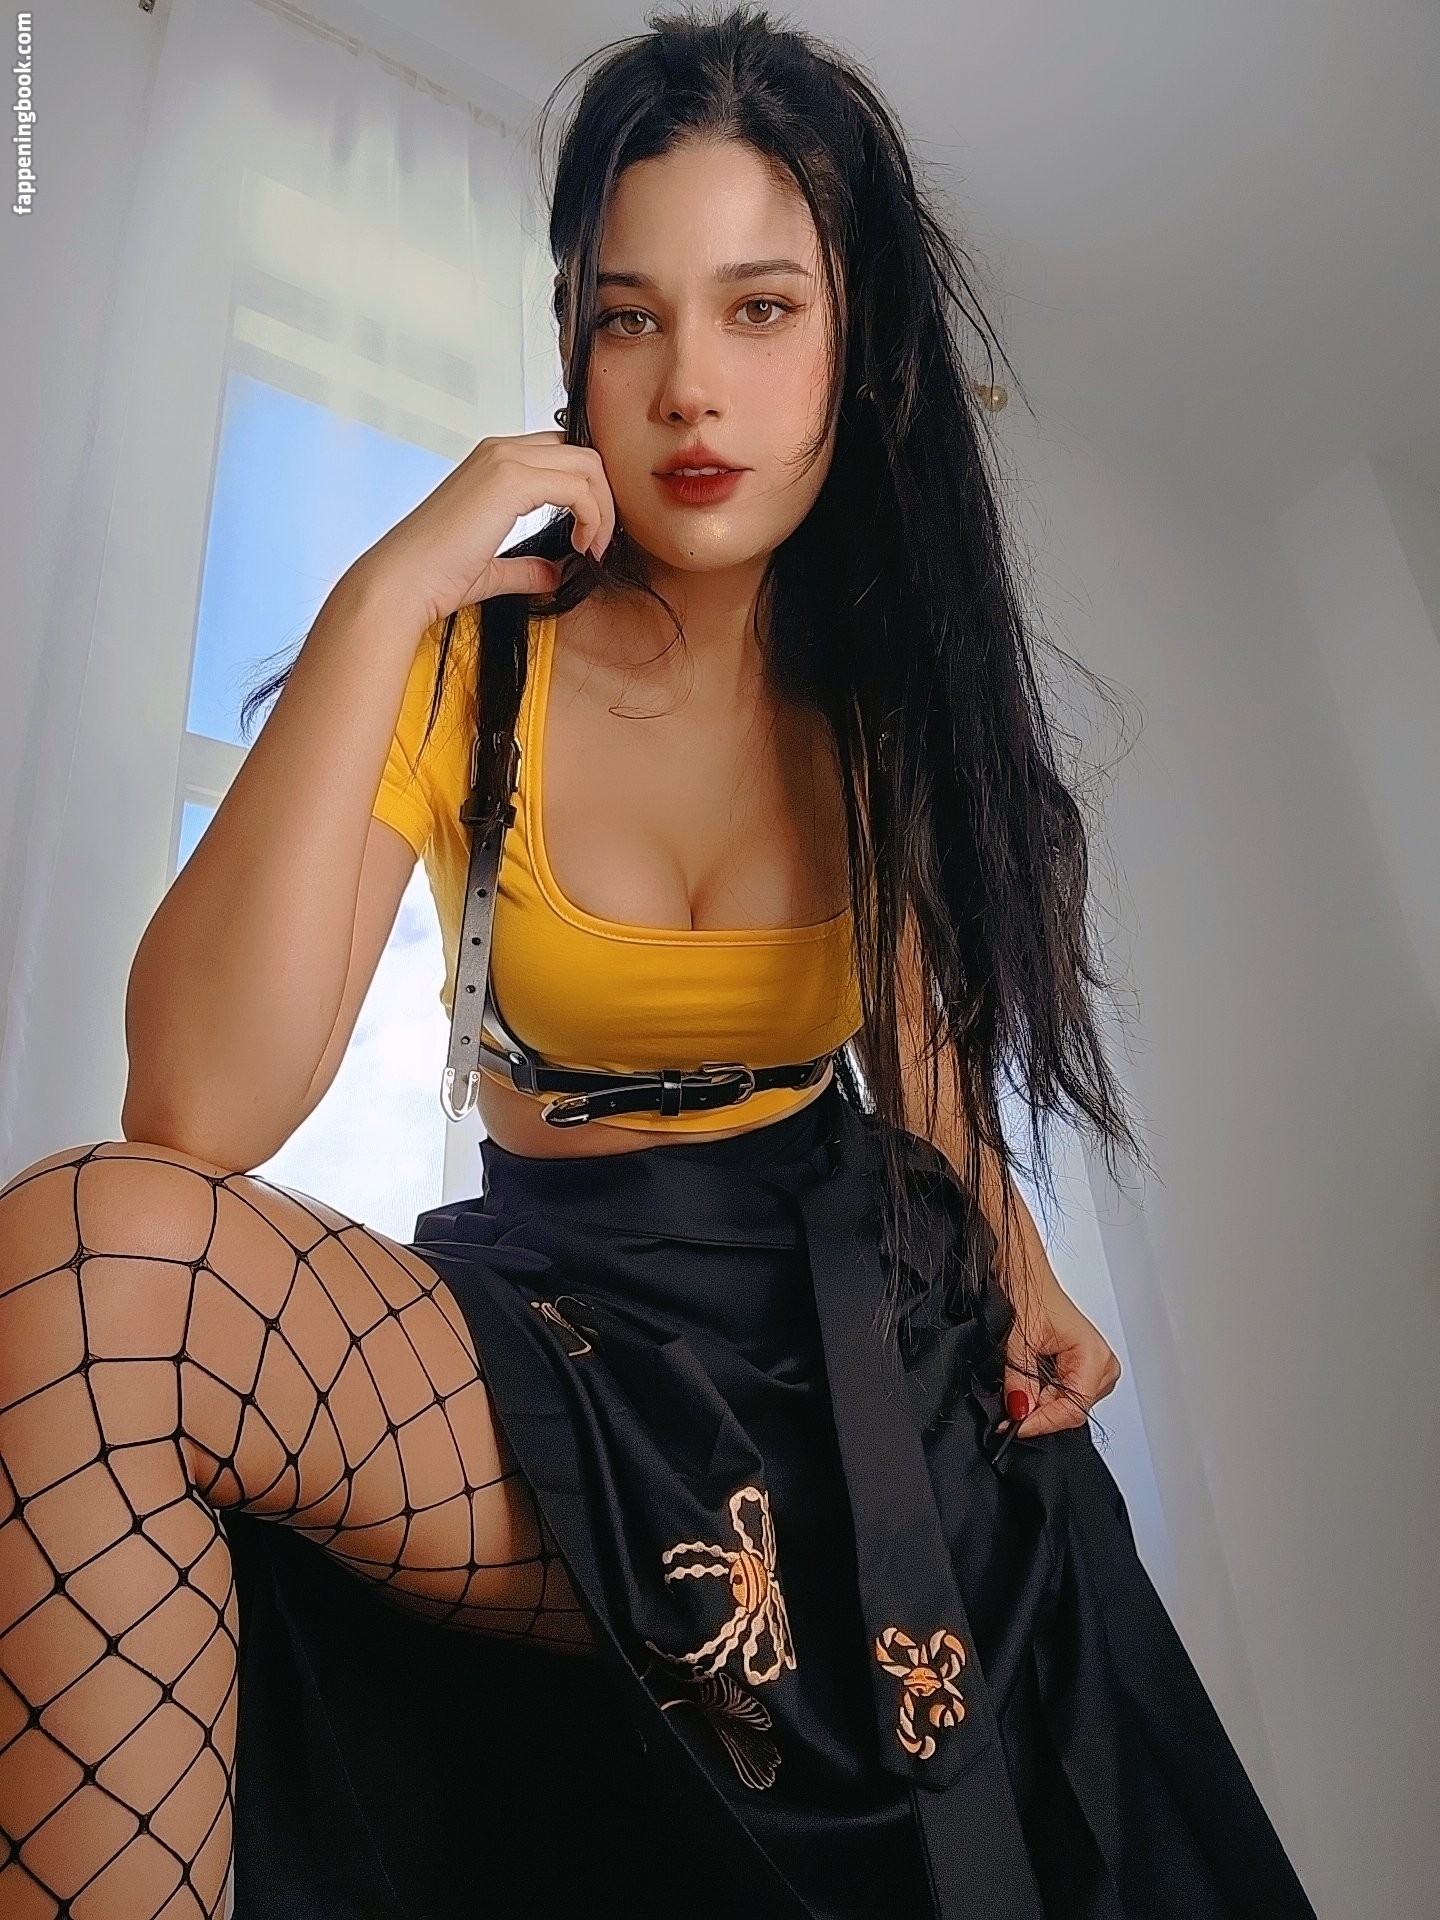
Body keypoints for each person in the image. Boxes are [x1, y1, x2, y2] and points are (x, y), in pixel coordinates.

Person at [0, 9, 1321, 1917]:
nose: (692, 385)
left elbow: (926, 1052)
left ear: (855, 341)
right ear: (573, 343)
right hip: (555, 1326)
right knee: (87, 1272)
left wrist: (1024, 1266)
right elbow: (191, 1111)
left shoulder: (891, 691)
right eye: (633, 319)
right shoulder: (469, 664)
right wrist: (388, 588)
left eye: (760, 310)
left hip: (844, 1343)